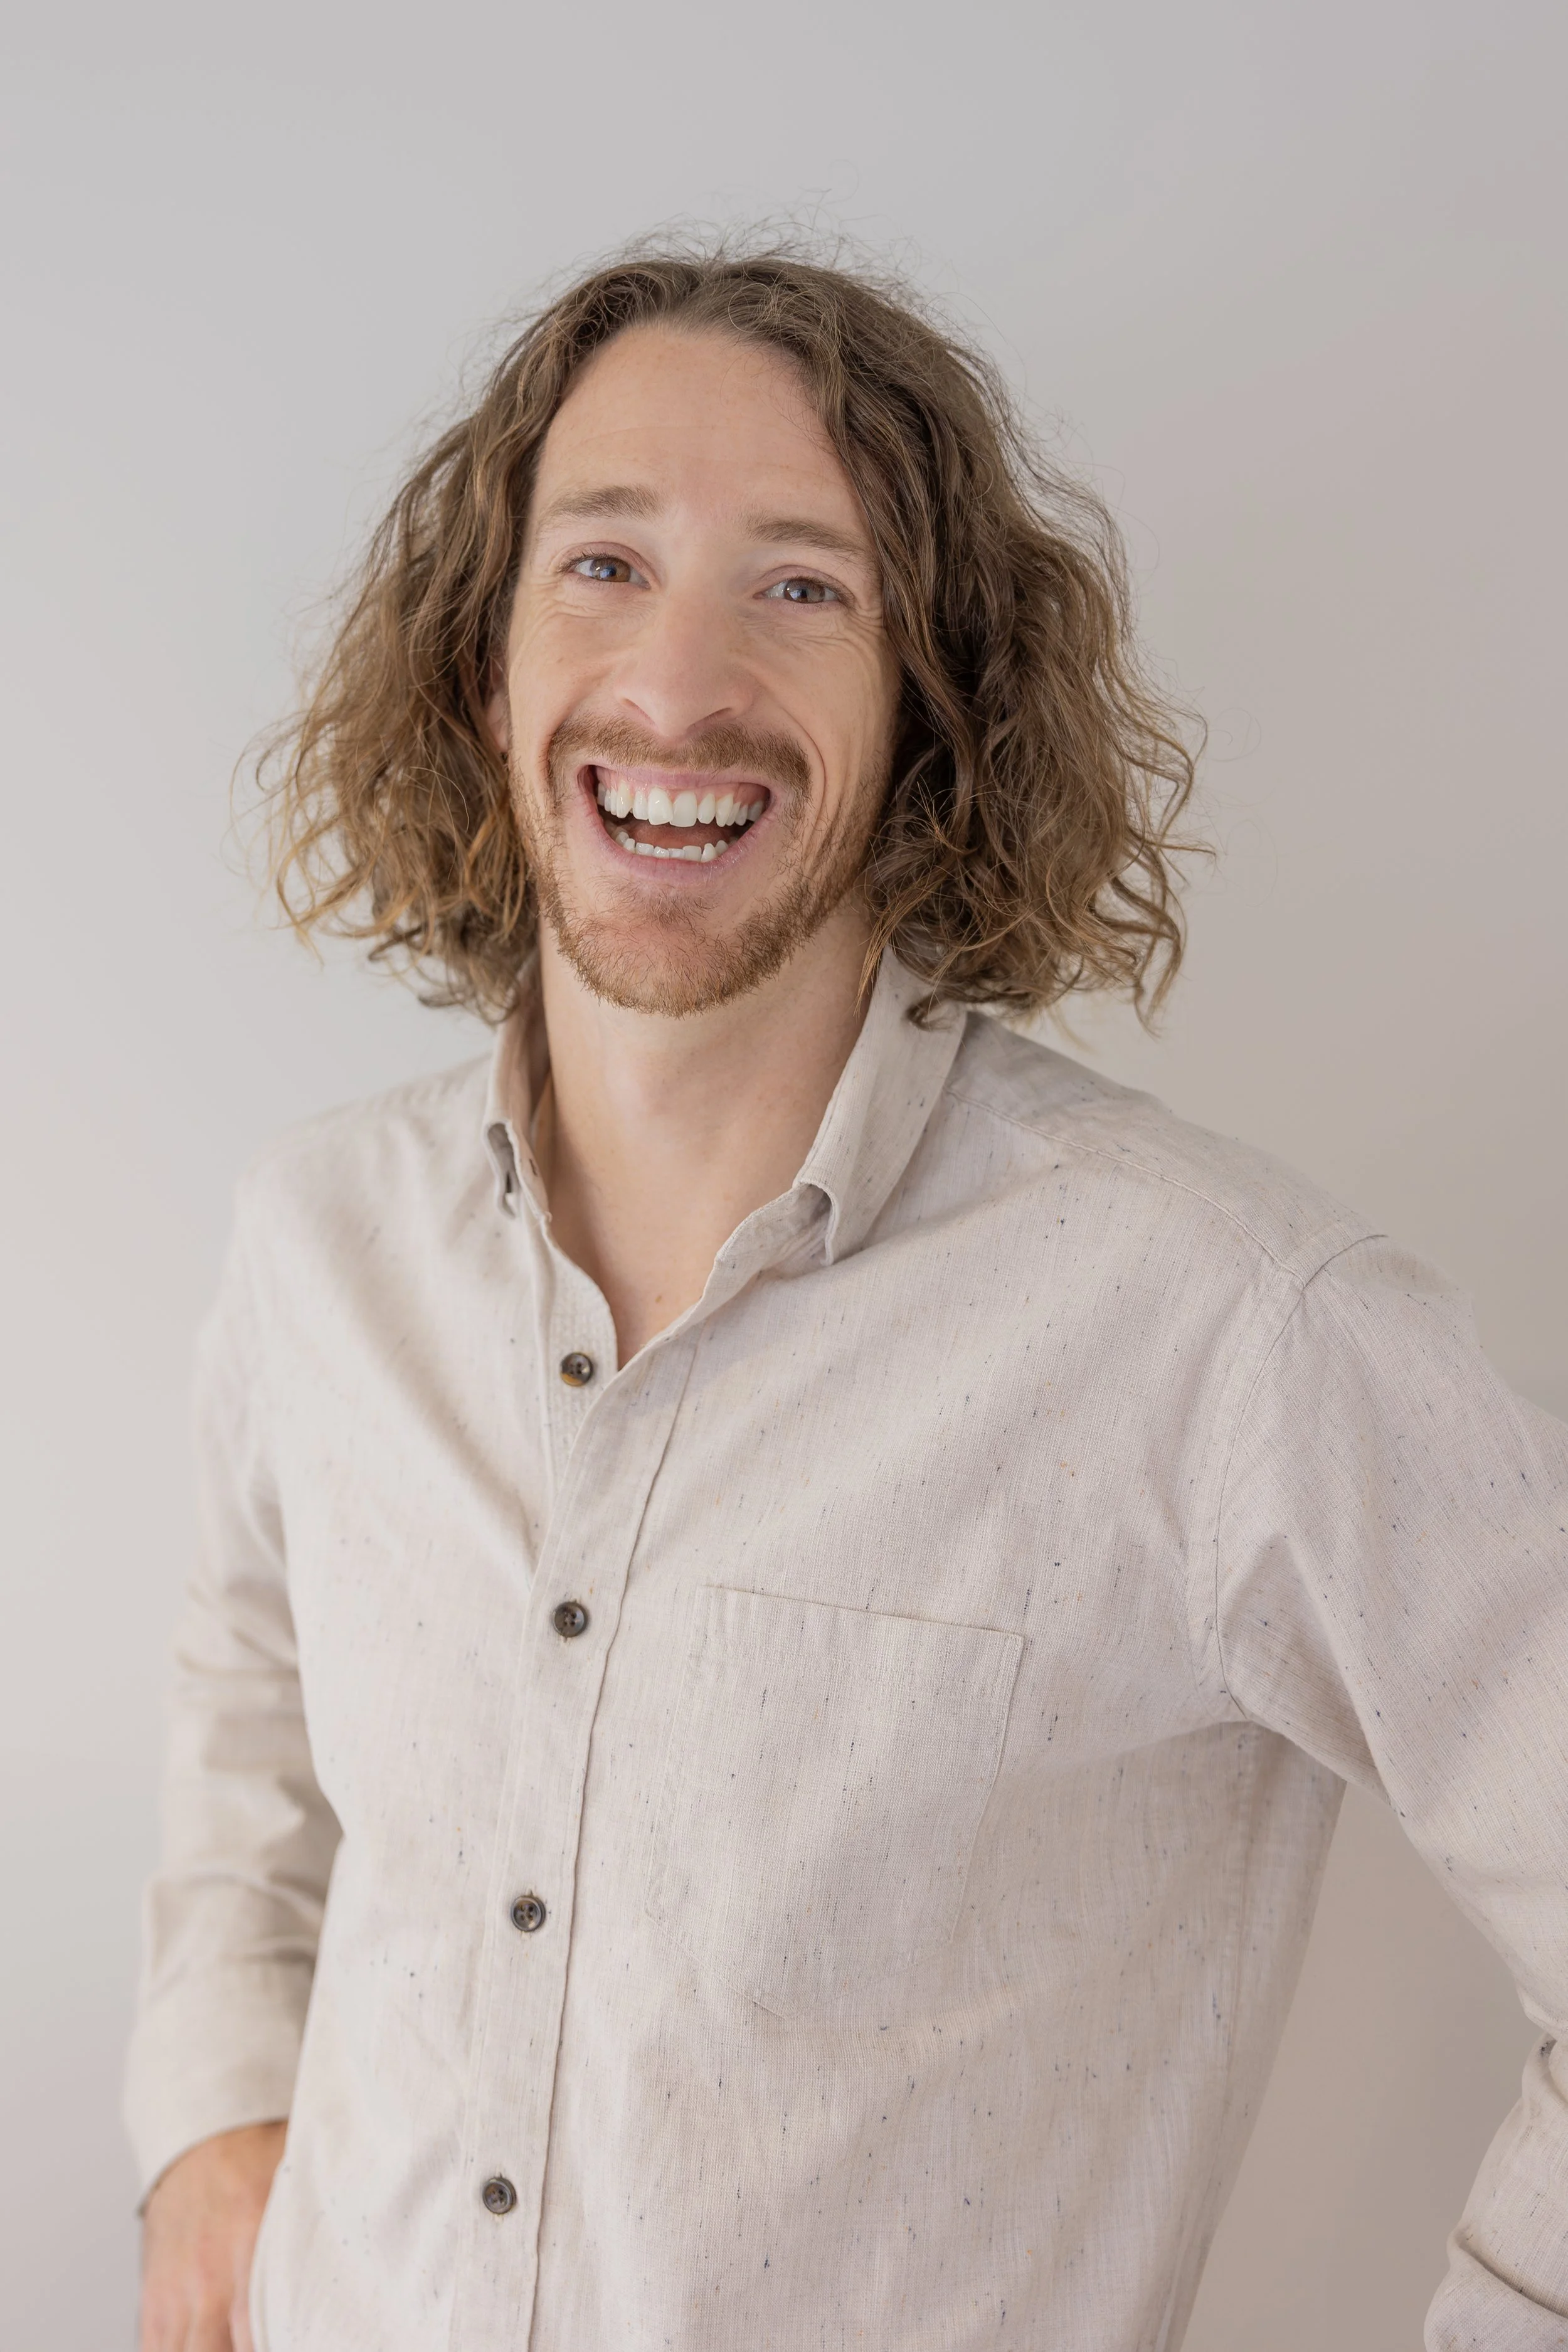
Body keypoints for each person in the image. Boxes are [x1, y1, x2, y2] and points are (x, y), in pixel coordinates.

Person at [128, 243, 1568, 2352]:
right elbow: (249, 1691)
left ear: (930, 718)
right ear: (481, 667)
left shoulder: (1220, 1332)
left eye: (801, 586)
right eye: (601, 562)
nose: (680, 682)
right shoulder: (313, 1238)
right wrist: (212, 2106)